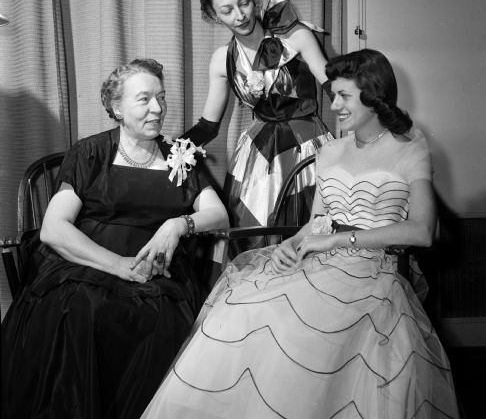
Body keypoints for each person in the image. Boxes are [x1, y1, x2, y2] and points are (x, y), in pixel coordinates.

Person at [141, 49, 459, 419]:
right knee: (241, 310)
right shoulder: (332, 151)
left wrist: (336, 240)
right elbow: (316, 223)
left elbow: (421, 231)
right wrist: (291, 246)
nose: (334, 104)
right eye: (333, 94)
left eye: (344, 96)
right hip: (320, 260)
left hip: (375, 270)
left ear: (373, 96)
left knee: (312, 334)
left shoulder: (410, 147)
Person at [1, 58, 228, 419]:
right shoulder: (92, 152)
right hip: (86, 262)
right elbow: (53, 228)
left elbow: (218, 214)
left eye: (162, 97)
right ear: (117, 107)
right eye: (144, 99)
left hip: (158, 271)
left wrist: (176, 225)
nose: (158, 108)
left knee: (162, 320)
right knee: (82, 309)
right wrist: (119, 266)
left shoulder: (179, 156)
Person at [183, 0, 333, 230]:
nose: (240, 16)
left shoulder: (296, 37)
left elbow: (335, 89)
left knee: (313, 228)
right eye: (227, 11)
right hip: (258, 155)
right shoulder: (222, 59)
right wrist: (170, 149)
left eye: (244, 3)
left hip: (308, 145)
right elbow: (209, 126)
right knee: (256, 234)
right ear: (214, 16)